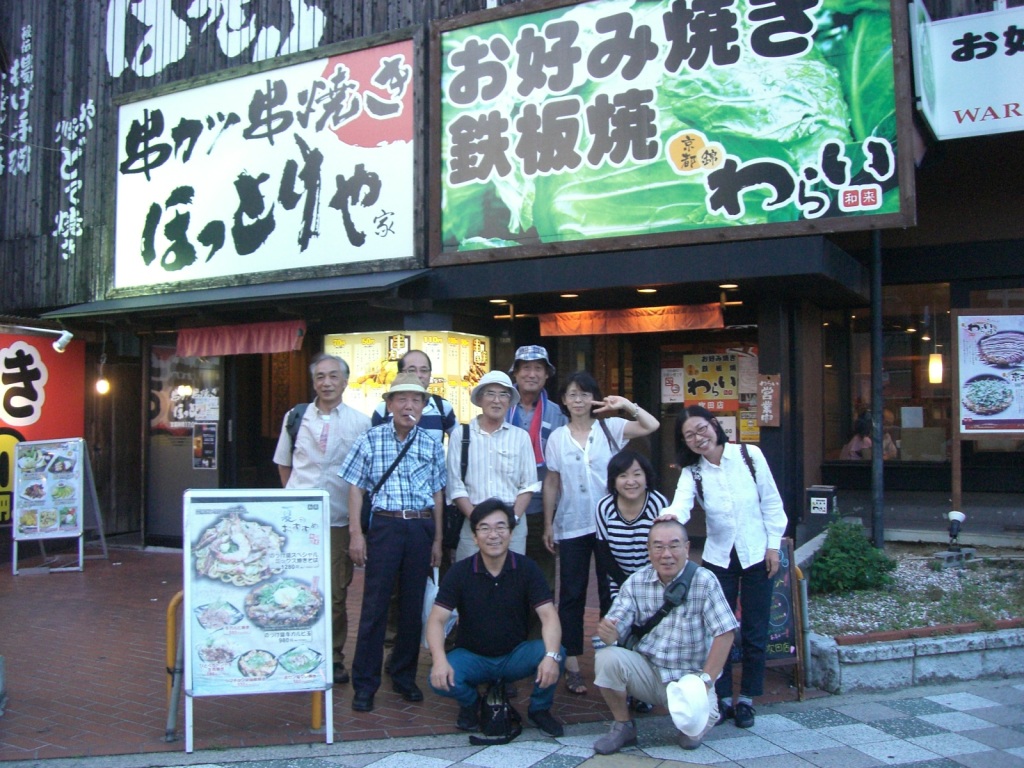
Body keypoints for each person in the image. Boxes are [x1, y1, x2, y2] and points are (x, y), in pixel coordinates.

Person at [663, 405, 788, 729]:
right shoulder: (693, 472)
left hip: (757, 553)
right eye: (689, 435)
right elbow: (681, 504)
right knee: (719, 630)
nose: (698, 438)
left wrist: (773, 546)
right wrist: (670, 517)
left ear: (714, 425)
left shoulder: (749, 455)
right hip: (719, 558)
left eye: (701, 429)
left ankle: (746, 698)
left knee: (755, 629)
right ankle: (721, 698)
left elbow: (771, 503)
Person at [542, 371, 659, 695]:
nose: (578, 400)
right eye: (572, 394)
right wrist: (549, 523)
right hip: (572, 524)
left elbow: (651, 425)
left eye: (584, 394)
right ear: (563, 400)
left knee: (613, 592)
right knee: (572, 594)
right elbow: (552, 482)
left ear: (594, 398)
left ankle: (613, 660)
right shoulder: (557, 438)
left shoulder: (611, 427)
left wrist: (625, 405)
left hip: (611, 525)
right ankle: (572, 664)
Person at [339, 372, 446, 712]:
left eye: (415, 399)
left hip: (420, 526)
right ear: (389, 404)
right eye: (401, 399)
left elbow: (437, 493)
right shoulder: (370, 439)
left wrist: (437, 538)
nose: (408, 405)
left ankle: (403, 675)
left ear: (424, 405)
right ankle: (365, 683)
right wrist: (356, 533)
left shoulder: (431, 443)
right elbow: (355, 487)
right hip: (384, 526)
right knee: (375, 606)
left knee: (412, 606)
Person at [591, 518, 737, 754]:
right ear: (648, 550)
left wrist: (706, 682)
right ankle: (623, 725)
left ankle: (696, 716)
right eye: (658, 547)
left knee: (691, 738)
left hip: (690, 678)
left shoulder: (705, 581)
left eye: (674, 545)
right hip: (649, 671)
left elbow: (725, 632)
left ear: (687, 548)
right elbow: (615, 625)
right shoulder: (636, 582)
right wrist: (609, 634)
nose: (666, 554)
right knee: (606, 658)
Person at [425, 499, 565, 738]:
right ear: (475, 536)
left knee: (557, 652)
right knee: (438, 679)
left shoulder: (527, 568)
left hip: (515, 655)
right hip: (473, 656)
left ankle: (539, 709)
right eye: (484, 528)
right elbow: (436, 620)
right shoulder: (460, 572)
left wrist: (550, 656)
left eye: (501, 527)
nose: (493, 535)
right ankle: (472, 703)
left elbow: (549, 615)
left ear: (511, 533)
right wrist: (439, 660)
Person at [272, 353, 370, 686]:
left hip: (337, 521)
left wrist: (357, 529)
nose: (326, 383)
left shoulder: (360, 423)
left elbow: (363, 477)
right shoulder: (295, 417)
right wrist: (293, 500)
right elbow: (284, 463)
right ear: (313, 382)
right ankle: (294, 651)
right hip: (297, 521)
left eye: (333, 376)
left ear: (345, 381)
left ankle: (333, 657)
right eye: (320, 377)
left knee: (335, 593)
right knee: (293, 590)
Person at [371, 349, 459, 658]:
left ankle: (432, 647)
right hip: (391, 513)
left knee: (428, 582)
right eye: (411, 369)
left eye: (424, 370)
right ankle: (391, 646)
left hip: (428, 510)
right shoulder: (382, 413)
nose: (419, 375)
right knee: (390, 589)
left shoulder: (443, 408)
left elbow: (456, 450)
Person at [594, 450, 669, 715]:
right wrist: (627, 588)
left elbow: (664, 550)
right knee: (614, 634)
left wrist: (643, 586)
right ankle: (620, 688)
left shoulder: (659, 504)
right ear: (613, 481)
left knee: (650, 634)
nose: (631, 481)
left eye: (637, 474)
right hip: (619, 581)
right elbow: (603, 553)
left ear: (647, 478)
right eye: (623, 475)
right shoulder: (604, 507)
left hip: (654, 581)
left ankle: (645, 690)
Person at [447, 370, 538, 561]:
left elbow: (528, 485)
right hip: (472, 520)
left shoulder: (520, 437)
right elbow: (455, 485)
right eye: (490, 393)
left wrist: (511, 521)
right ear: (480, 398)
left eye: (503, 394)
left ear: (509, 401)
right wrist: (478, 521)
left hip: (512, 523)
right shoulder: (461, 435)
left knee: (512, 575)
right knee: (471, 574)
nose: (497, 400)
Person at [505, 345, 566, 588]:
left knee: (542, 580)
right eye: (526, 368)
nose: (532, 374)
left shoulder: (558, 414)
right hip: (505, 504)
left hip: (542, 507)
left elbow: (558, 467)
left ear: (546, 374)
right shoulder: (501, 407)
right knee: (508, 576)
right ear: (515, 373)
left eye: (538, 368)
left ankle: (542, 615)